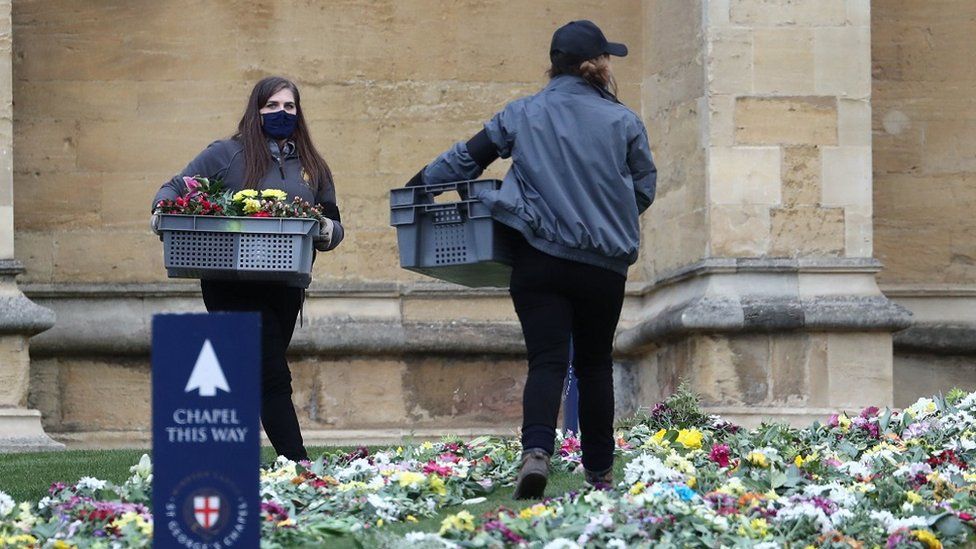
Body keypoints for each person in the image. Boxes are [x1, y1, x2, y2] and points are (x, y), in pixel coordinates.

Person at [408, 20, 656, 498]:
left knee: (547, 361)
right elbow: (643, 188)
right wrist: (608, 212)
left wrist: (416, 186)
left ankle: (537, 453)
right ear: (599, 66)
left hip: (538, 259)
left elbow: (466, 159)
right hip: (603, 267)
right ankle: (600, 475)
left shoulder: (523, 112)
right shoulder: (624, 121)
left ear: (553, 65)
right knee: (594, 365)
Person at [152, 76, 344, 462]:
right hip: (232, 282)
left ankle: (209, 445)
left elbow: (335, 223)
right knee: (272, 374)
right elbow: (173, 189)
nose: (281, 113)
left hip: (287, 284)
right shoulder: (226, 154)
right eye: (272, 106)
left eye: (289, 107)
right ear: (256, 111)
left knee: (255, 372)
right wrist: (161, 212)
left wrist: (325, 230)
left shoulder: (313, 167)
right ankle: (298, 462)